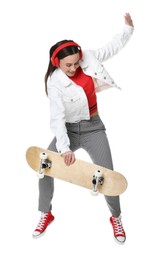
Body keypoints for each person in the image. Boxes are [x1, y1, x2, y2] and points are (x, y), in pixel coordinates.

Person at [32, 13, 134, 244]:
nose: (74, 67)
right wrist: (64, 148)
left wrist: (128, 30)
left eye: (77, 62)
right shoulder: (55, 82)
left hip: (93, 127)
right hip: (67, 130)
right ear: (57, 62)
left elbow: (112, 48)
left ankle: (116, 218)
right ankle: (45, 213)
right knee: (45, 165)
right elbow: (56, 118)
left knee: (109, 174)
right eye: (69, 64)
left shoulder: (89, 58)